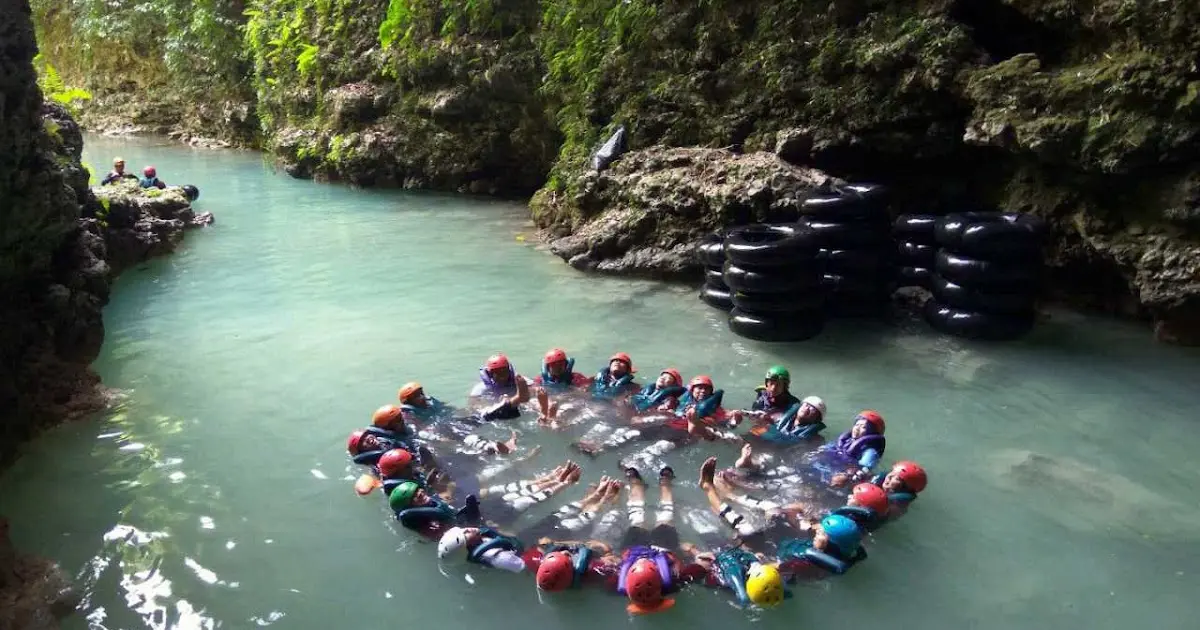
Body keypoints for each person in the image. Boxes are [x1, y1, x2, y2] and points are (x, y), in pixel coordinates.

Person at [823, 410, 887, 487]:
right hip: (831, 465)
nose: (857, 428)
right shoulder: (846, 441)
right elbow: (828, 448)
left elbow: (864, 469)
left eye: (863, 427)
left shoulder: (870, 452)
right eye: (857, 425)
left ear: (872, 432)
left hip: (844, 474)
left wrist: (846, 476)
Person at [468, 354, 530, 420]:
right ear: (490, 374)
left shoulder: (520, 381)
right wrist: (485, 405)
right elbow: (472, 407)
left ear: (509, 370)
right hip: (494, 413)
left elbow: (535, 390)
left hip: (520, 409)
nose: (502, 376)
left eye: (504, 371)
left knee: (532, 403)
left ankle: (514, 400)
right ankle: (512, 400)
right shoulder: (480, 389)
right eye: (497, 372)